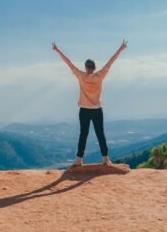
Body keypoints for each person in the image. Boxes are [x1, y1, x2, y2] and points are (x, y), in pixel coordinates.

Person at [52, 39, 128, 168]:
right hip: (97, 109)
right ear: (94, 68)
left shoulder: (81, 76)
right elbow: (111, 61)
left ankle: (79, 159)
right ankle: (105, 159)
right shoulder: (100, 76)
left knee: (83, 134)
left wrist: (58, 50)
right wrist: (121, 48)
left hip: (84, 110)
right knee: (100, 134)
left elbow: (69, 63)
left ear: (86, 68)